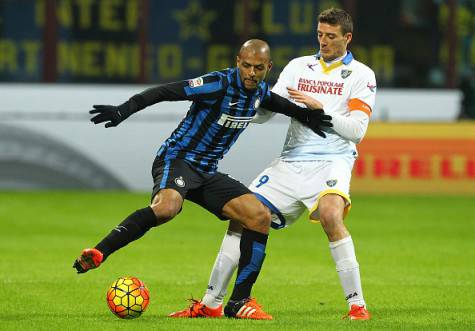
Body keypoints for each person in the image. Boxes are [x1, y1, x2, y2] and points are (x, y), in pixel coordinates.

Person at [72, 39, 333, 320]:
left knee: (259, 216)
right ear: (237, 62)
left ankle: (238, 302)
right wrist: (124, 109)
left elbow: (276, 102)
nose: (251, 73)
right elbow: (165, 91)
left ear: (268, 67)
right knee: (167, 208)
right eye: (246, 65)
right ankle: (100, 252)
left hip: (207, 171)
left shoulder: (259, 93)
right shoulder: (217, 84)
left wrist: (307, 115)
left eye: (258, 68)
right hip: (178, 160)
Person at [169, 8, 375, 321]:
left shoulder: (362, 75)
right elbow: (265, 112)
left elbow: (358, 131)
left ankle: (357, 306)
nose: (323, 41)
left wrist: (321, 112)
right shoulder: (298, 67)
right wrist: (244, 100)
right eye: (320, 34)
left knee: (332, 215)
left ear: (347, 38)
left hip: (332, 160)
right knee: (243, 216)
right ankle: (211, 304)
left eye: (331, 36)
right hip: (291, 160)